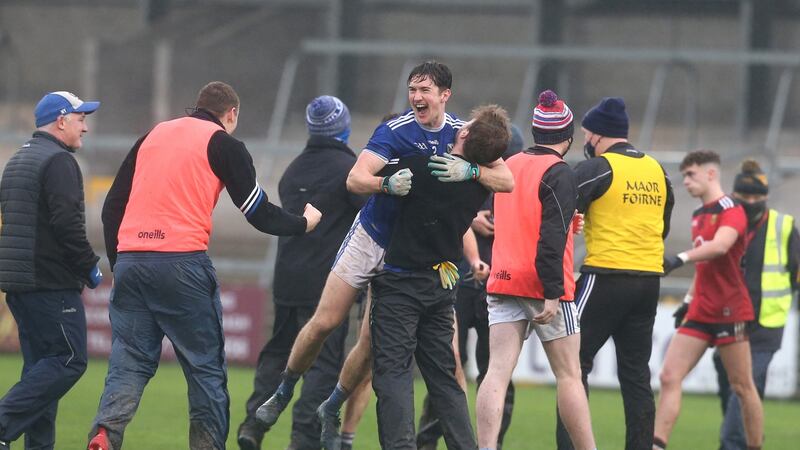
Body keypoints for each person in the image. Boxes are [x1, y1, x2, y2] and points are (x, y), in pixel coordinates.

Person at [254, 61, 514, 449]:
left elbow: (507, 179)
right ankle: (284, 389)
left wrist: (472, 173)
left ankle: (333, 404)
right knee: (325, 321)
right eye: (412, 89)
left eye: (425, 90)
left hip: (411, 256)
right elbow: (354, 179)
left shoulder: (462, 133)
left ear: (445, 95)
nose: (416, 97)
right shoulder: (396, 131)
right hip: (373, 237)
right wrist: (385, 183)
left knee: (373, 346)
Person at [88, 81, 321, 450]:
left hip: (132, 261)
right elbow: (258, 212)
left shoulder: (154, 135)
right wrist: (303, 224)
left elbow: (112, 206)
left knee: (127, 365)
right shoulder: (224, 144)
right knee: (205, 371)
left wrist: (122, 265)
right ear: (232, 114)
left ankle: (104, 434)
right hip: (181, 263)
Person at [371, 104, 511, 450]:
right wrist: (478, 166)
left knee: (393, 374)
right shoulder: (480, 186)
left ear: (463, 133)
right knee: (445, 379)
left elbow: (367, 174)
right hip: (441, 287)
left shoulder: (418, 166)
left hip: (401, 286)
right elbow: (504, 177)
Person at [237, 96, 365, 450]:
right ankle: (303, 438)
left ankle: (252, 426)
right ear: (343, 127)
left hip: (288, 278)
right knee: (323, 364)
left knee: (279, 354)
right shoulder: (349, 170)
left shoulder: (292, 170)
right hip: (326, 284)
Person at [476, 91, 595, 450]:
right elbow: (550, 237)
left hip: (502, 279)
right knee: (569, 376)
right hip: (543, 284)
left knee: (496, 373)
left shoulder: (508, 165)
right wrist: (553, 289)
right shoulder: (559, 172)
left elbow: (523, 219)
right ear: (568, 136)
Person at [555, 97, 674, 450]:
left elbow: (557, 207)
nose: (586, 140)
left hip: (605, 277)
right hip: (648, 281)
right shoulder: (659, 171)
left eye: (587, 133)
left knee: (571, 368)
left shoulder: (599, 168)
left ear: (599, 135)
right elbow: (662, 228)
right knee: (636, 375)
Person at [0, 91, 102, 450]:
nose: (85, 128)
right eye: (80, 119)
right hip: (49, 284)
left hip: (19, 284)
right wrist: (89, 266)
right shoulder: (59, 161)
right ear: (61, 120)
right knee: (69, 359)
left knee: (41, 372)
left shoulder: (17, 160)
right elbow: (66, 224)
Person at [416, 124, 524, 450]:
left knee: (495, 371)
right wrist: (471, 216)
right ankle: (429, 441)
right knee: (448, 366)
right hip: (461, 280)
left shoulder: (510, 182)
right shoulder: (464, 171)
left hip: (498, 284)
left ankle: (489, 443)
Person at [654, 150, 763, 450]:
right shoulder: (698, 215)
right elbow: (705, 267)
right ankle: (657, 445)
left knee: (741, 387)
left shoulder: (732, 208)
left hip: (730, 309)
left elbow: (720, 247)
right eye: (685, 175)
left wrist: (679, 258)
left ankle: (755, 446)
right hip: (702, 309)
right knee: (668, 376)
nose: (686, 181)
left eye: (691, 174)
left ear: (711, 174)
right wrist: (688, 300)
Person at [710, 159, 799, 450]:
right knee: (732, 383)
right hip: (729, 319)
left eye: (755, 197)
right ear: (734, 195)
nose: (750, 202)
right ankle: (751, 434)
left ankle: (733, 444)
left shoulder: (783, 226)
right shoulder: (723, 223)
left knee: (745, 383)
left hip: (766, 323)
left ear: (766, 197)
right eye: (744, 197)